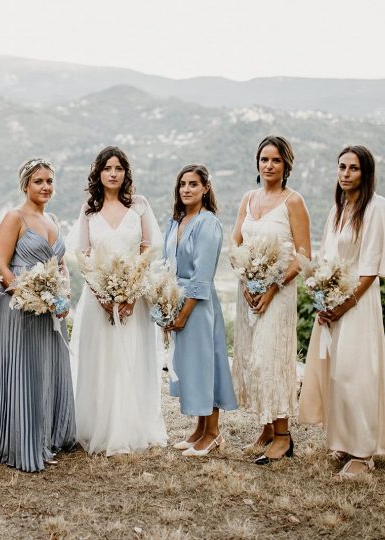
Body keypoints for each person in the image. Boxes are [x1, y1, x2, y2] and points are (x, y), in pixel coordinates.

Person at [299, 145, 385, 477]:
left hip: (358, 304)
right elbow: (328, 260)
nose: (345, 173)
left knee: (354, 375)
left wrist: (345, 304)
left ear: (366, 172)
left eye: (353, 168)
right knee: (333, 373)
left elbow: (370, 268)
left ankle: (363, 453)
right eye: (341, 167)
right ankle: (342, 441)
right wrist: (323, 299)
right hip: (332, 303)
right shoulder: (338, 208)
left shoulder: (377, 208)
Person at [68, 146, 167, 456]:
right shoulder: (88, 209)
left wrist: (130, 294)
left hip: (133, 298)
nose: (113, 173)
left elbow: (147, 250)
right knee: (101, 359)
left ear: (126, 173)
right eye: (107, 168)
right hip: (97, 297)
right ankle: (99, 425)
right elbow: (82, 254)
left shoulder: (139, 206)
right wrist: (101, 292)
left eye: (119, 168)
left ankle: (131, 426)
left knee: (131, 357)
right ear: (98, 173)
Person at [0, 158, 76, 472]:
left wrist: (63, 293)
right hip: (18, 310)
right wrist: (25, 293)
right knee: (24, 372)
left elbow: (60, 265)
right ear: (26, 184)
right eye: (39, 181)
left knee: (47, 370)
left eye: (50, 181)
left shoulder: (51, 218)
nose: (46, 187)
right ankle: (22, 442)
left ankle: (49, 435)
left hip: (49, 310)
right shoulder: (15, 217)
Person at [230, 136, 311, 465]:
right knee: (252, 358)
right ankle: (265, 428)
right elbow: (236, 240)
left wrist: (273, 284)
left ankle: (283, 437)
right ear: (257, 163)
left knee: (271, 359)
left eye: (276, 160)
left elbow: (304, 253)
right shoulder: (248, 198)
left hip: (277, 293)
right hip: (248, 290)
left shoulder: (294, 201)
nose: (269, 165)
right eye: (264, 159)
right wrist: (246, 279)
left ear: (286, 165)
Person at [162, 164, 237, 457]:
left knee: (208, 365)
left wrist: (184, 313)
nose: (186, 189)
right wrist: (166, 302)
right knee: (191, 366)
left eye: (193, 184)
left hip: (199, 304)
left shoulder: (209, 223)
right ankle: (200, 428)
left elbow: (203, 274)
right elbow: (167, 263)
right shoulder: (175, 221)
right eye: (182, 184)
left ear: (206, 188)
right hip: (177, 298)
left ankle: (214, 433)